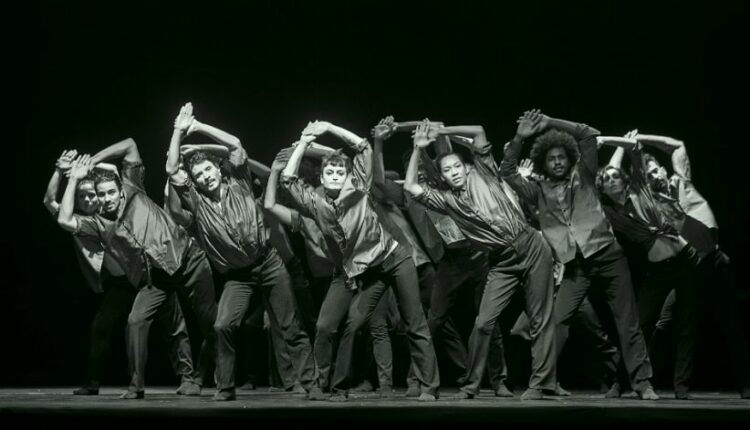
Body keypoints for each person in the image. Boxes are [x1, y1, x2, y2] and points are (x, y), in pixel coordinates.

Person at [500, 109, 657, 400]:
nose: (557, 162)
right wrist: (519, 138)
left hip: (608, 256)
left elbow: (589, 133)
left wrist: (551, 122)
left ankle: (642, 384)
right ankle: (542, 383)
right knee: (555, 323)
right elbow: (507, 172)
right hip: (575, 267)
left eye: (561, 157)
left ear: (569, 158)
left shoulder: (584, 175)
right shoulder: (537, 190)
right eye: (551, 158)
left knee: (627, 321)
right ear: (542, 162)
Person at [165, 103, 318, 401]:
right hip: (238, 276)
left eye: (208, 169)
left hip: (269, 262)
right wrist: (177, 132)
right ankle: (225, 387)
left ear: (218, 169)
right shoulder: (196, 201)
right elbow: (172, 168)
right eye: (199, 174)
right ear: (194, 180)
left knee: (290, 325)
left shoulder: (240, 181)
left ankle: (311, 384)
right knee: (223, 325)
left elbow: (234, 143)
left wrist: (197, 128)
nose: (205, 176)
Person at [280, 119, 440, 401]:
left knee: (415, 321)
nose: (334, 174)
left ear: (346, 175)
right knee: (344, 324)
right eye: (329, 171)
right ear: (322, 176)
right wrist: (304, 143)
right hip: (359, 271)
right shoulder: (313, 202)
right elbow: (288, 178)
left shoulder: (358, 185)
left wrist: (329, 126)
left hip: (393, 258)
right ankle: (335, 387)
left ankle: (429, 387)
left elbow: (362, 146)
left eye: (339, 170)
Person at [405, 120, 556, 400]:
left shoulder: (483, 171)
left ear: (466, 167)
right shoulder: (446, 200)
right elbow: (412, 186)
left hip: (531, 245)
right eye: (447, 170)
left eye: (456, 167)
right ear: (443, 176)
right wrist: (417, 148)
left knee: (540, 318)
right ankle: (471, 386)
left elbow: (478, 130)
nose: (454, 172)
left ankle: (539, 384)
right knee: (483, 323)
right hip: (501, 260)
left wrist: (442, 132)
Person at [57, 138, 217, 400]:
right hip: (154, 278)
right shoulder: (97, 224)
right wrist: (75, 177)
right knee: (135, 321)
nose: (106, 198)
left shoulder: (132, 187)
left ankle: (196, 378)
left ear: (120, 190)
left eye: (110, 192)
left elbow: (130, 145)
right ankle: (136, 385)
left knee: (209, 324)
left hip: (186, 260)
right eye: (101, 194)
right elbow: (64, 219)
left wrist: (91, 162)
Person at [626, 131, 750, 399]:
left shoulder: (682, 182)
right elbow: (637, 184)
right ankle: (677, 388)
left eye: (655, 171)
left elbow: (678, 145)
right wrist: (633, 152)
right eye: (649, 176)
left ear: (662, 169)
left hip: (716, 260)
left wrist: (644, 138)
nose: (655, 177)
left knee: (732, 327)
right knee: (682, 326)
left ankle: (745, 384)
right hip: (687, 267)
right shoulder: (651, 203)